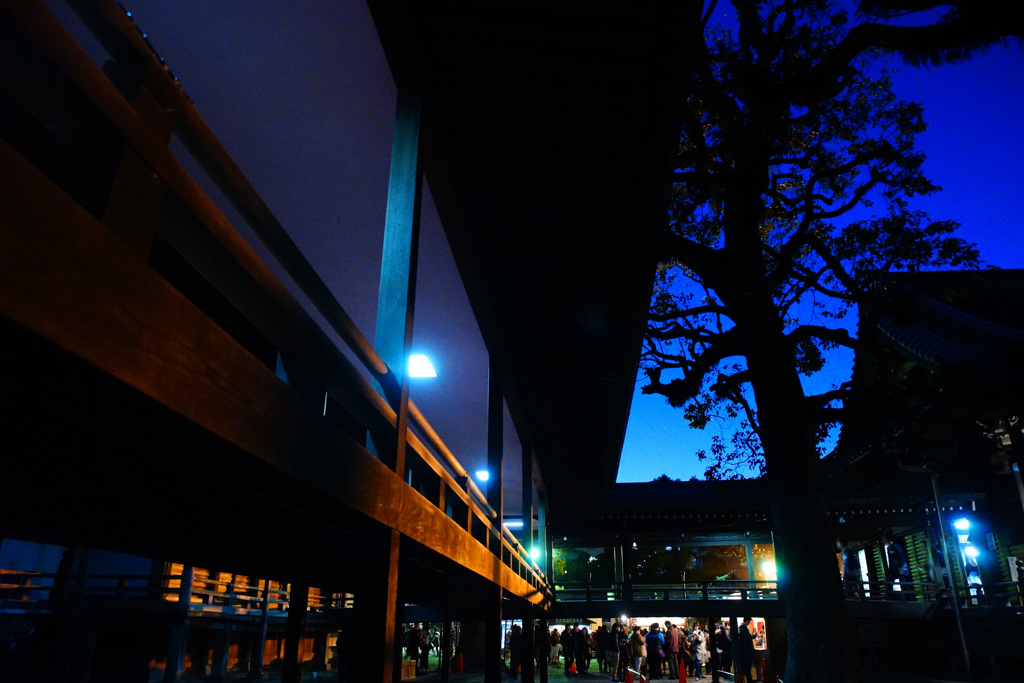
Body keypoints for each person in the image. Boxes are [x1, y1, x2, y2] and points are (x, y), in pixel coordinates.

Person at [883, 528, 911, 600]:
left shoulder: (894, 546)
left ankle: (908, 599)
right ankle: (892, 598)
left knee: (903, 584)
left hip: (899, 568)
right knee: (891, 584)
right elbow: (891, 560)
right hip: (894, 569)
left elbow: (901, 557)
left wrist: (902, 568)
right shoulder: (889, 548)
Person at [735, 617, 755, 683]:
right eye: (749, 621)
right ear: (746, 620)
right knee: (747, 667)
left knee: (746, 667)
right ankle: (749, 680)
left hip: (743, 651)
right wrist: (753, 635)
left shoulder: (740, 628)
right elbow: (748, 637)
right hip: (746, 651)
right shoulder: (744, 628)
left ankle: (748, 680)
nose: (749, 623)